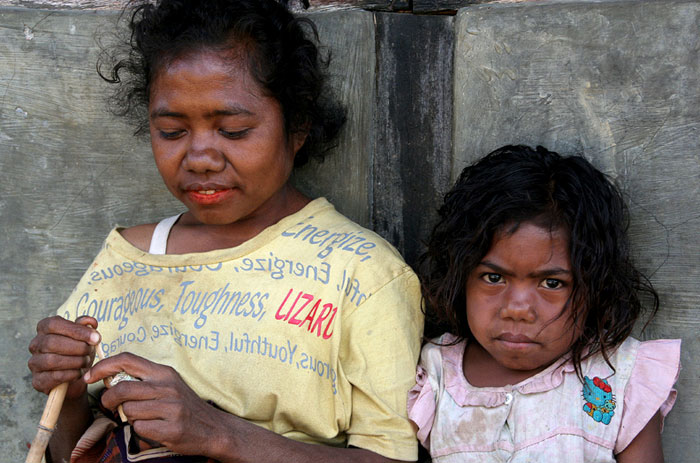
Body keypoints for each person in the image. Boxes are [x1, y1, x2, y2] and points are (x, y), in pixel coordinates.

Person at [27, 1, 423, 462]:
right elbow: (65, 450)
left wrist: (218, 433)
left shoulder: (362, 272)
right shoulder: (124, 261)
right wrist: (69, 393)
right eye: (172, 132)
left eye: (233, 131)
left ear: (297, 127)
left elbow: (392, 458)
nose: (200, 157)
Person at [407, 145, 681, 462]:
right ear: (460, 275)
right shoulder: (436, 376)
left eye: (552, 283)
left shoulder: (617, 374)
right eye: (493, 278)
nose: (518, 309)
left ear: (593, 288)